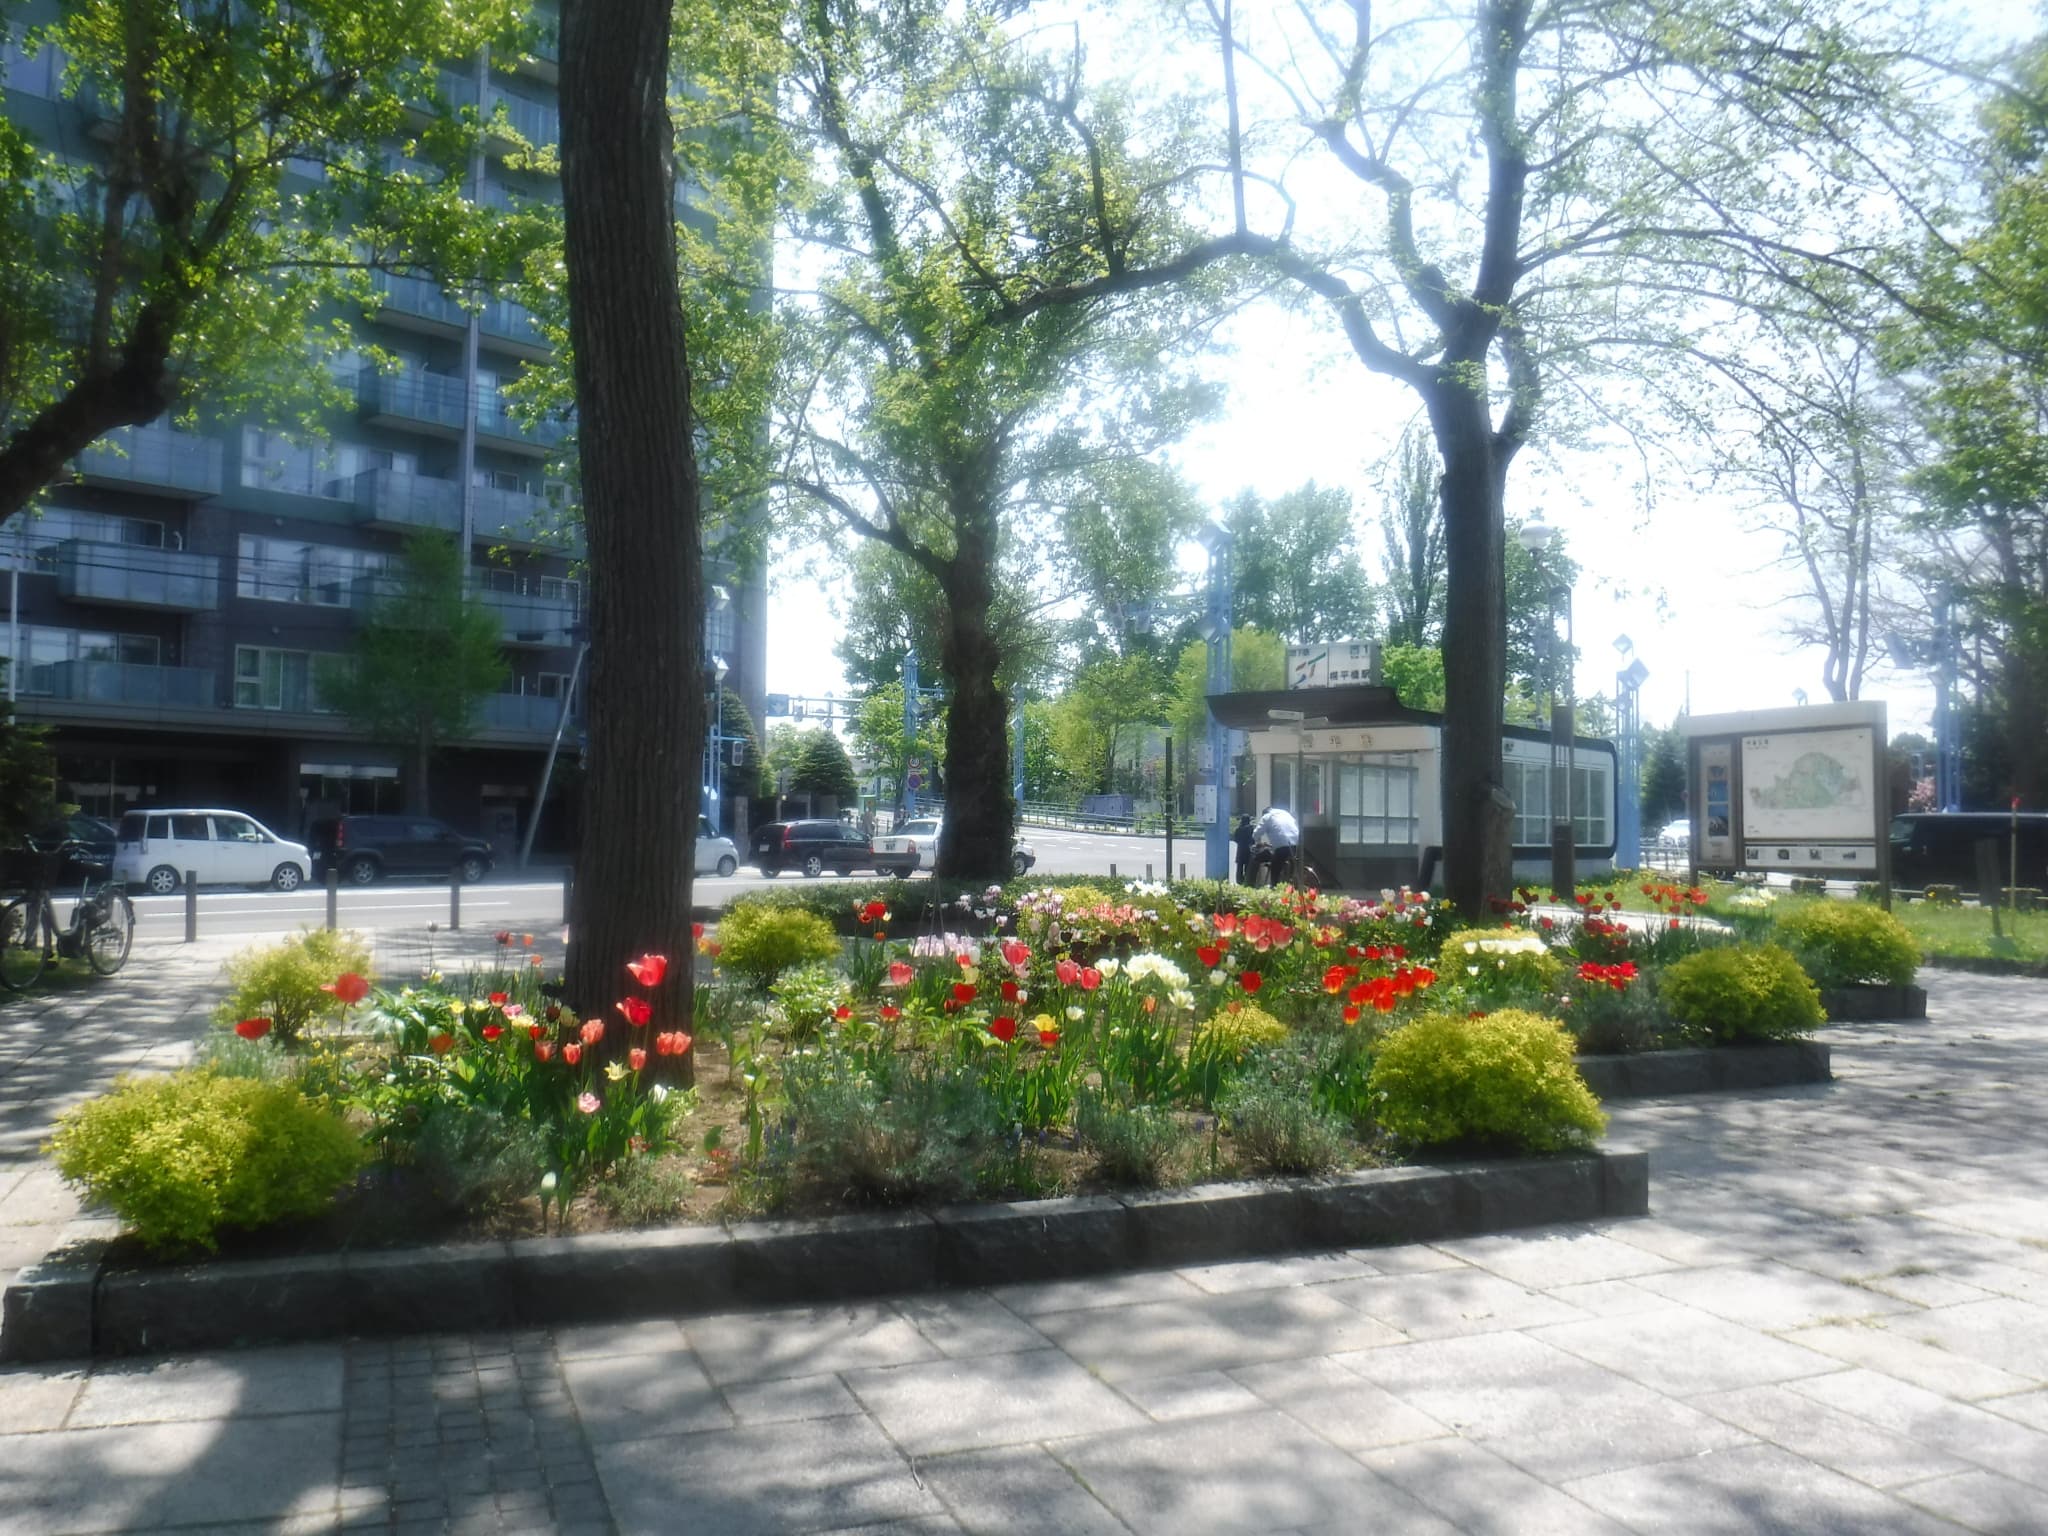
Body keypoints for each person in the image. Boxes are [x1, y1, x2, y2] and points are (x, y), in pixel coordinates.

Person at [1255, 804, 1300, 885]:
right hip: (1296, 843)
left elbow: (1256, 833)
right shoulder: (1285, 813)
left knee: (1275, 867)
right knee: (1291, 862)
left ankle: (1274, 887)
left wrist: (1257, 842)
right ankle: (1290, 880)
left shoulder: (1267, 817)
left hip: (1282, 846)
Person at [1232, 813, 1254, 884]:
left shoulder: (1238, 829)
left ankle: (1239, 880)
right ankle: (1247, 880)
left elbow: (1235, 839)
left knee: (1239, 866)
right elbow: (1253, 839)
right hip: (1248, 849)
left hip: (1240, 849)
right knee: (1248, 866)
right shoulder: (1251, 828)